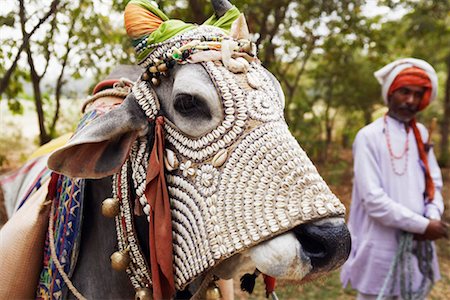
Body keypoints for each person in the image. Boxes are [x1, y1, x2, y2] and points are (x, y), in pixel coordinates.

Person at [340, 58, 448, 300]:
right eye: (404, 92)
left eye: (417, 94)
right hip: (379, 246)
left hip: (416, 247)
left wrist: (432, 216)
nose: (410, 100)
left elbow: (434, 185)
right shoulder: (368, 136)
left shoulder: (420, 134)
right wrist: (422, 226)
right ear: (390, 92)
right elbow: (373, 200)